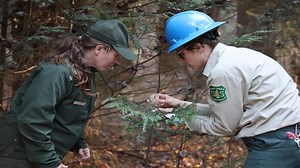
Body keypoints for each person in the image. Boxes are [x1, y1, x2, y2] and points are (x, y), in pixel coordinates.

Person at [149, 10, 300, 167]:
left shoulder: (223, 72)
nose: (182, 60)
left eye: (181, 54)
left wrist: (175, 116)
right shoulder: (234, 58)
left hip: (274, 146)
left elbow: (223, 126)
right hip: (286, 138)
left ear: (198, 46)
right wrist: (177, 105)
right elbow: (224, 112)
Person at [0, 19, 136, 168]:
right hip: (14, 154)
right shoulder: (56, 72)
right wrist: (50, 162)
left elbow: (66, 115)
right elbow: (33, 120)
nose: (117, 62)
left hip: (34, 156)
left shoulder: (84, 73)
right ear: (99, 49)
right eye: (116, 56)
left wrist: (78, 143)